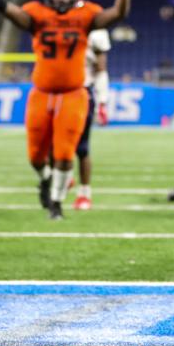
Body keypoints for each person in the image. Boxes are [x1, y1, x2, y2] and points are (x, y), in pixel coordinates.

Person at [0, 0, 132, 219]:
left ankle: (56, 204)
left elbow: (117, 14)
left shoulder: (85, 16)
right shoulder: (38, 14)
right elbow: (10, 12)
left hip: (73, 94)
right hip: (41, 93)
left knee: (64, 153)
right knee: (36, 155)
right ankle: (46, 179)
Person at [72, 28, 112, 210]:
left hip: (82, 92)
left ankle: (84, 193)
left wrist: (103, 101)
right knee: (48, 143)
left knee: (82, 148)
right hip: (55, 90)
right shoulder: (53, 23)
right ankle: (64, 175)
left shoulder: (95, 31)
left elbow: (101, 69)